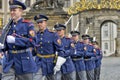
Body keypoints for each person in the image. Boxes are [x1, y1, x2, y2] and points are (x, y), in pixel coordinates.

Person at [0, 0, 37, 80]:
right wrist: (2, 46)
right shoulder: (8, 26)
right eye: (11, 10)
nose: (12, 12)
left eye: (14, 10)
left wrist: (16, 40)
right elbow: (4, 43)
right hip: (10, 61)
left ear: (20, 11)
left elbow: (33, 42)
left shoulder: (28, 25)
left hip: (24, 61)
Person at [33, 15, 66, 80]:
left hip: (50, 63)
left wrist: (58, 63)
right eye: (38, 23)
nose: (39, 24)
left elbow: (61, 50)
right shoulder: (35, 35)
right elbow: (33, 51)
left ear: (45, 23)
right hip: (39, 63)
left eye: (41, 22)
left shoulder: (53, 35)